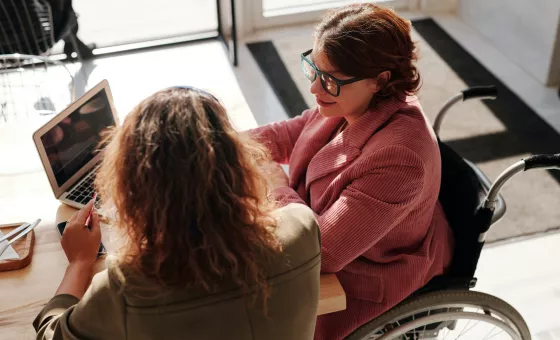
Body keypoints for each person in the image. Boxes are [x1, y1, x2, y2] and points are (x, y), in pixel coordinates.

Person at [33, 87, 322, 340]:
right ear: (239, 163)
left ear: (133, 187)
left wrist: (80, 263)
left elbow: (52, 335)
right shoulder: (303, 227)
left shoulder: (127, 288)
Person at [249, 4, 454, 339]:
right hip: (329, 233)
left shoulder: (400, 157)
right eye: (312, 69)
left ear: (380, 80)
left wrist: (276, 185)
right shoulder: (347, 99)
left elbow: (322, 253)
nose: (314, 88)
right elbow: (291, 133)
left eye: (328, 79)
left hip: (364, 277)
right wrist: (217, 143)